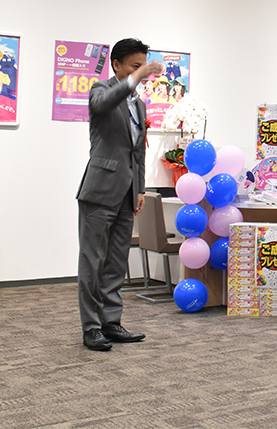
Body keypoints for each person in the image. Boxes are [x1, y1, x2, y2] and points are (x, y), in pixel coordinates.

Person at [76, 38, 163, 351]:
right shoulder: (101, 90)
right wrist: (136, 78)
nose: (142, 72)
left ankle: (111, 322)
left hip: (127, 194)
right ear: (117, 65)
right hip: (99, 191)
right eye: (135, 66)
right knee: (92, 262)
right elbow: (103, 104)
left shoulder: (139, 105)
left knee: (116, 263)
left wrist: (140, 189)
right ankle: (91, 327)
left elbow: (137, 151)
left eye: (143, 66)